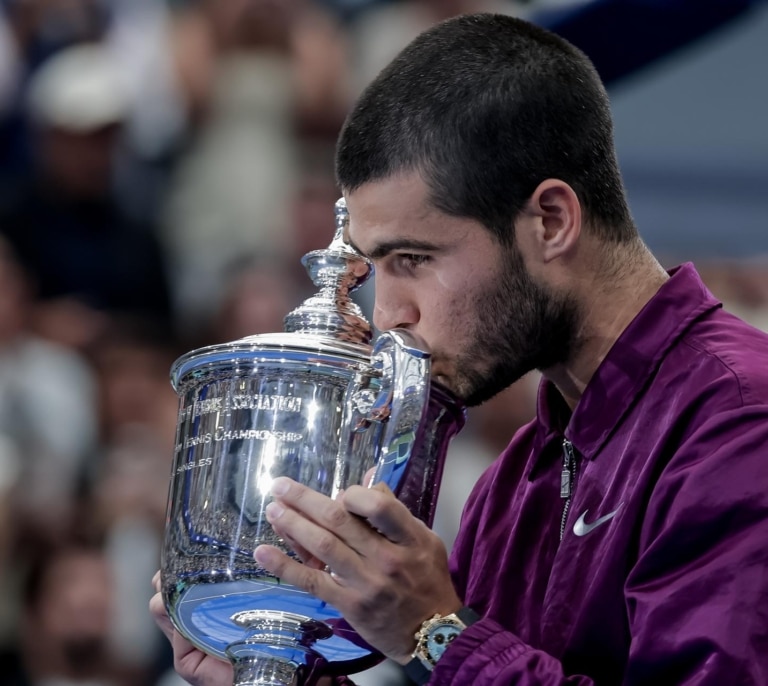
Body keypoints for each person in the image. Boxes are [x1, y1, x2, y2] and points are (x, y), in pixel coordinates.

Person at [150, 12, 768, 685]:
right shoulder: (510, 486)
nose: (388, 315)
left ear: (551, 221)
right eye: (376, 267)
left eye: (412, 258)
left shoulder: (740, 422)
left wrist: (436, 632)